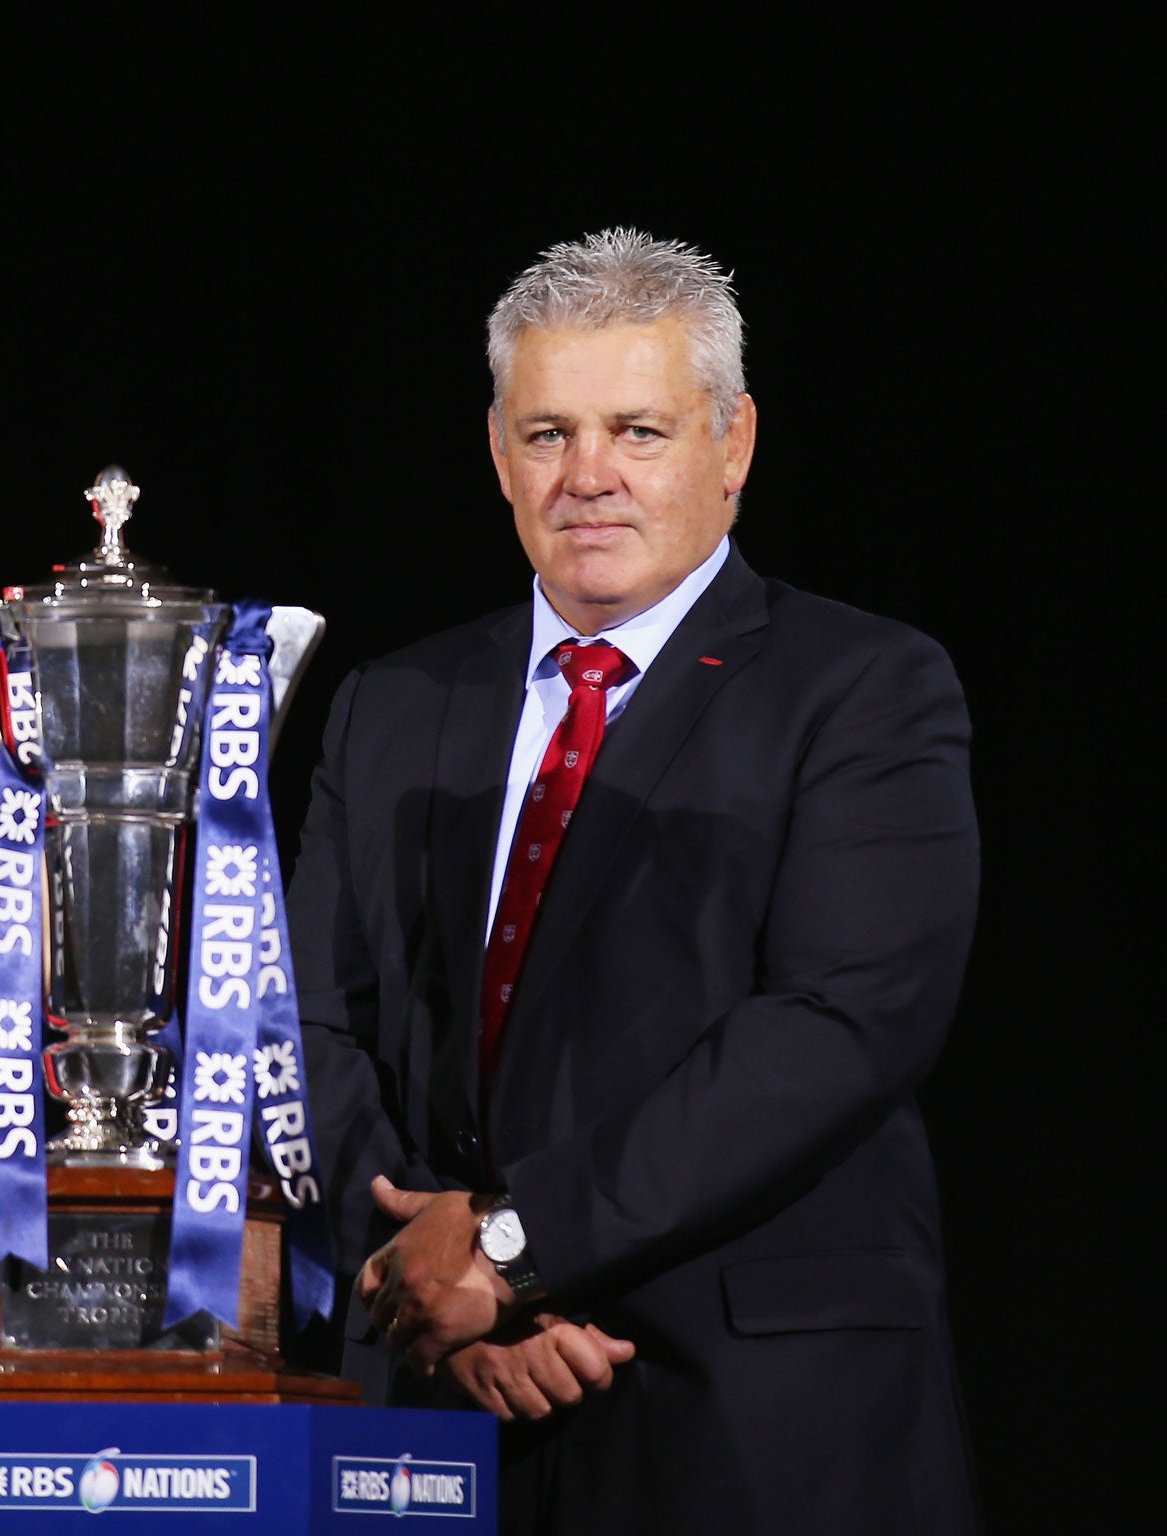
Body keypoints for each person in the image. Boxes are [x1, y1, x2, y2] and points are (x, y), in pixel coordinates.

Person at [291, 228, 979, 1534]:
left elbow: (836, 1030)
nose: (587, 477)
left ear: (735, 445)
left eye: (639, 432)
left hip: (751, 1418)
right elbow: (302, 1028)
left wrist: (508, 1249)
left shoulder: (865, 691)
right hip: (448, 1415)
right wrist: (422, 1284)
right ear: (497, 451)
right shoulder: (391, 707)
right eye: (548, 433)